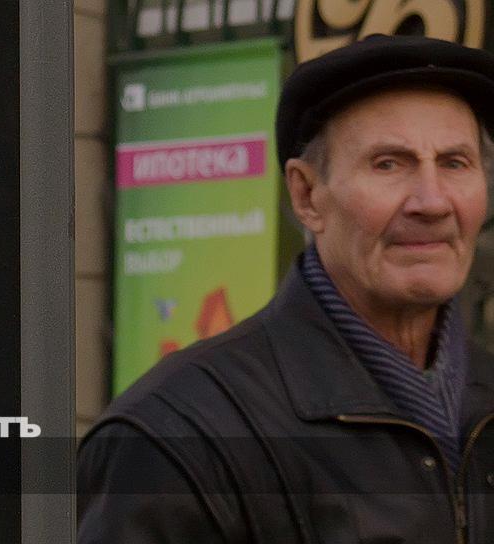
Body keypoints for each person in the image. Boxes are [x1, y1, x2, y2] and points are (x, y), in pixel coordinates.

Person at [78, 34, 494, 543]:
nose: (432, 202)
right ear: (307, 195)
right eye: (389, 163)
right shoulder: (177, 437)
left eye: (454, 163)